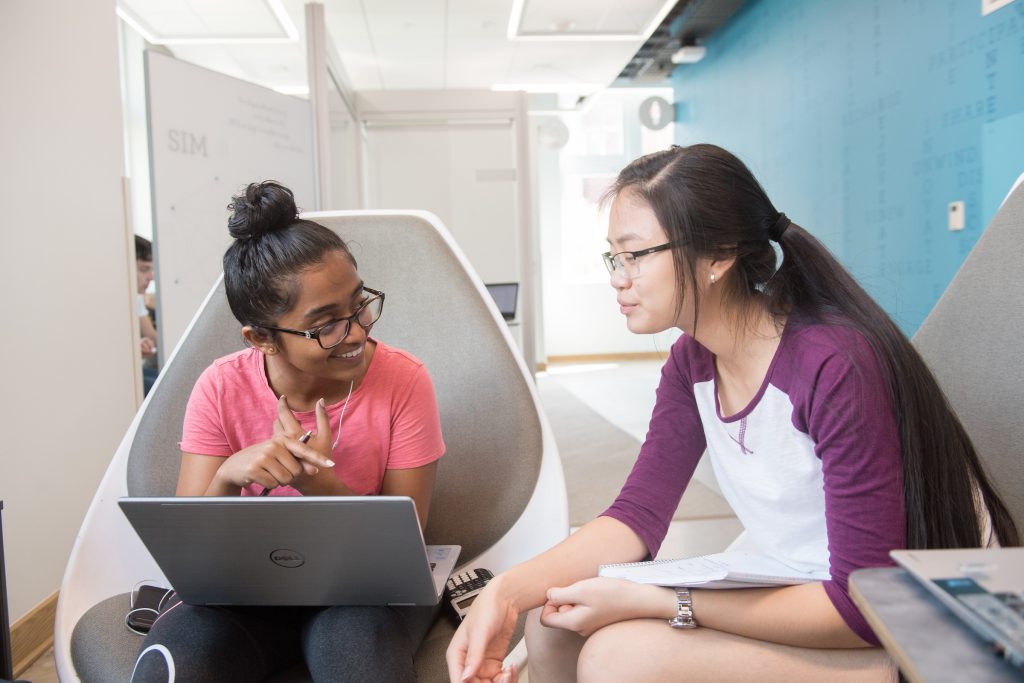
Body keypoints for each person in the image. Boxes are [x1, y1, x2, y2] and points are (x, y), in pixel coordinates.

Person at [446, 144, 1019, 683]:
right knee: (553, 629)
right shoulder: (691, 362)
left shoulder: (836, 365)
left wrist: (665, 601)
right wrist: (508, 592)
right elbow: (636, 516)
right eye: (612, 257)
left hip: (919, 624)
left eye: (635, 255)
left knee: (618, 658)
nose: (617, 279)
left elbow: (862, 601)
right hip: (803, 580)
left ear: (718, 255)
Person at [130, 181, 446, 682]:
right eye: (325, 324)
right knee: (175, 659)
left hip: (363, 598)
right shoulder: (220, 387)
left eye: (359, 303)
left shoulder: (404, 381)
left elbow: (404, 546)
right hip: (246, 601)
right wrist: (230, 477)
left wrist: (319, 486)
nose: (358, 331)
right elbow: (190, 556)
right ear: (262, 339)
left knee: (355, 653)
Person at [134, 235, 160, 394]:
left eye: (151, 269)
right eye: (144, 269)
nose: (151, 276)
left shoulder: (136, 299)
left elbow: (153, 336)